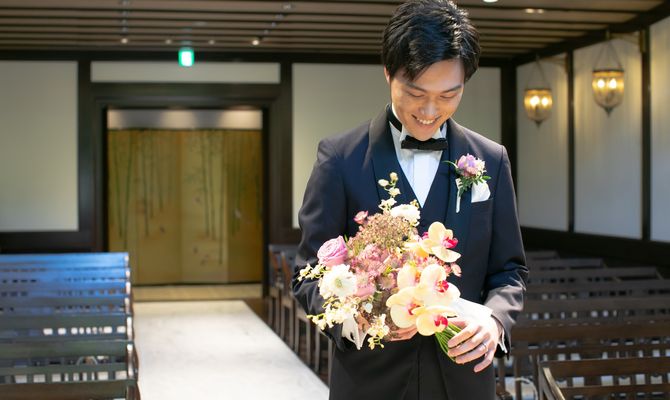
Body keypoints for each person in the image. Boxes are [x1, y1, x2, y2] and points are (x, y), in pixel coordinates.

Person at [292, 1, 527, 399]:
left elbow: (510, 271)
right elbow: (307, 273)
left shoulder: (491, 159)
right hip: (370, 380)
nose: (430, 111)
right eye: (416, 93)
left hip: (463, 380)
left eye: (449, 94)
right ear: (389, 73)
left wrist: (495, 321)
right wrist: (355, 320)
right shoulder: (340, 158)